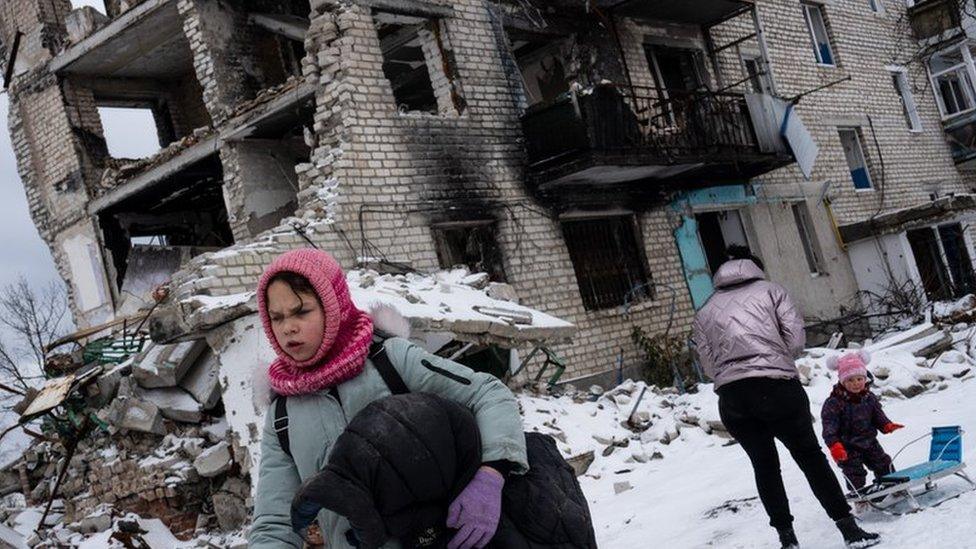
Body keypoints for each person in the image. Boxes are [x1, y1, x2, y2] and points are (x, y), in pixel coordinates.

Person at [248, 248, 528, 549]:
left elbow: (488, 392)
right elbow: (274, 522)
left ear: (333, 305)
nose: (288, 327)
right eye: (276, 318)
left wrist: (491, 476)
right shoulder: (282, 414)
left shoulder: (390, 361)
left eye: (301, 311)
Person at [691, 247, 879, 549]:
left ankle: (787, 540)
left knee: (764, 467)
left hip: (733, 398)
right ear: (755, 267)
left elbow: (709, 365)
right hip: (777, 389)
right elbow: (794, 342)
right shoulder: (772, 291)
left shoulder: (706, 309)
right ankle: (849, 531)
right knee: (810, 458)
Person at [822, 351, 903, 495]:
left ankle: (893, 488)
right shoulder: (834, 403)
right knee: (854, 472)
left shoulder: (869, 397)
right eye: (850, 380)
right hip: (847, 447)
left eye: (859, 379)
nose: (856, 384)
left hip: (869, 441)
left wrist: (886, 425)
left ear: (865, 379)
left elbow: (878, 415)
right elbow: (829, 428)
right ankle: (859, 496)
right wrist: (835, 445)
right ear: (842, 381)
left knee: (883, 464)